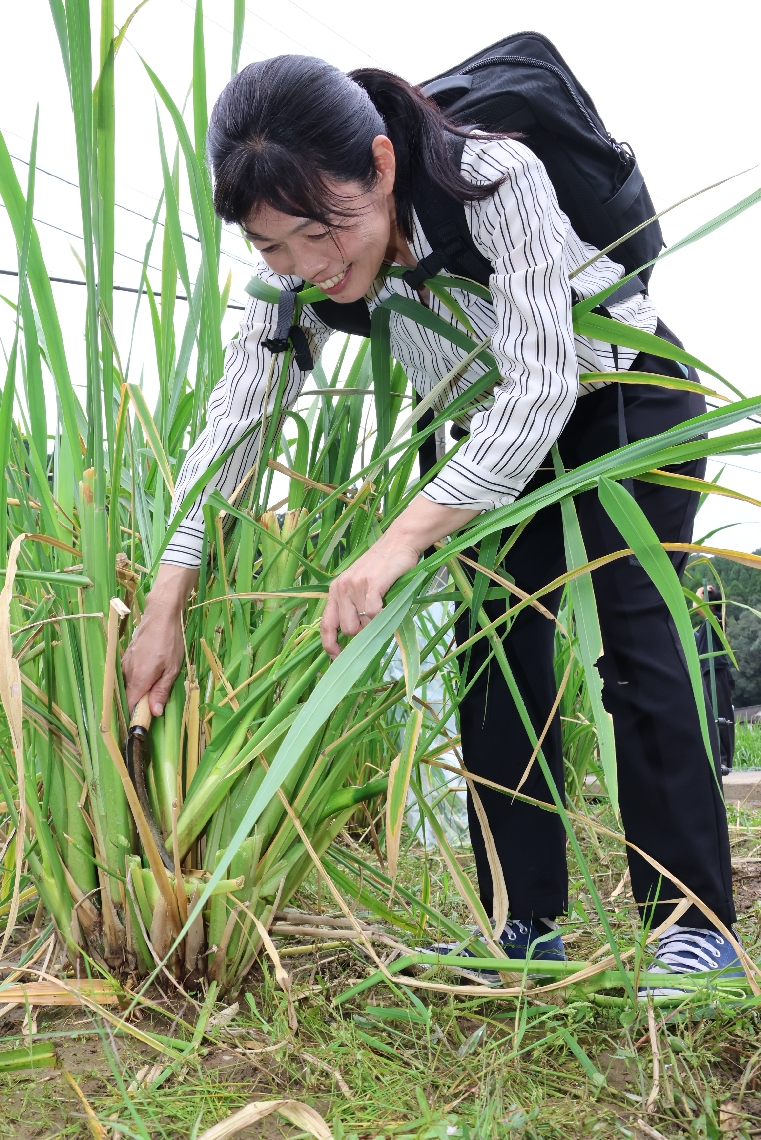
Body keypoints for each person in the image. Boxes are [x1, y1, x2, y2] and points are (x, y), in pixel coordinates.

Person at [122, 55, 741, 987]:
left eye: (321, 231)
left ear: (379, 162)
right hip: (491, 440)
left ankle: (694, 929)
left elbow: (543, 382)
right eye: (272, 247)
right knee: (489, 656)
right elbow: (235, 423)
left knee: (633, 637)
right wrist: (170, 590)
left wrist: (397, 538)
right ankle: (521, 927)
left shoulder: (490, 176)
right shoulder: (297, 275)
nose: (310, 267)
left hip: (620, 394)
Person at [695, 584, 736, 775]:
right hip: (706, 672)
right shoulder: (705, 627)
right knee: (711, 715)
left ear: (710, 606)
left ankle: (723, 761)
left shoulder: (717, 619)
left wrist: (699, 593)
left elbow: (698, 606)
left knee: (721, 715)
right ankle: (714, 758)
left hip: (716, 671)